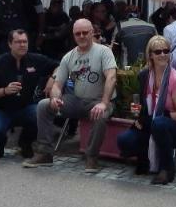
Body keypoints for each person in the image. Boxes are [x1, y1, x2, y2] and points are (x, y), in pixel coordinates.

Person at [24, 18, 117, 172]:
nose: (81, 36)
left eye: (85, 33)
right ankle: (45, 153)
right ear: (73, 36)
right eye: (77, 33)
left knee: (100, 114)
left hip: (98, 100)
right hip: (76, 100)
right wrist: (55, 98)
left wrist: (104, 102)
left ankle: (91, 157)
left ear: (92, 33)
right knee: (43, 105)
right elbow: (58, 84)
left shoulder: (104, 51)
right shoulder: (69, 56)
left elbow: (112, 77)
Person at [117, 35, 176, 185]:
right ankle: (143, 159)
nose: (163, 54)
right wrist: (137, 115)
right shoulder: (144, 75)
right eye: (158, 52)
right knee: (124, 139)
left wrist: (157, 117)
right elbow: (142, 107)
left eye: (166, 51)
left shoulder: (175, 78)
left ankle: (167, 168)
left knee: (158, 123)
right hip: (153, 124)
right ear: (150, 55)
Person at [0, 28, 57, 159]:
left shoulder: (36, 59)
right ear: (10, 44)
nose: (22, 45)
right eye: (18, 42)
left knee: (42, 112)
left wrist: (53, 79)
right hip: (2, 110)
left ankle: (25, 143)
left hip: (26, 108)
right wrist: (4, 91)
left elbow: (60, 66)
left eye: (25, 42)